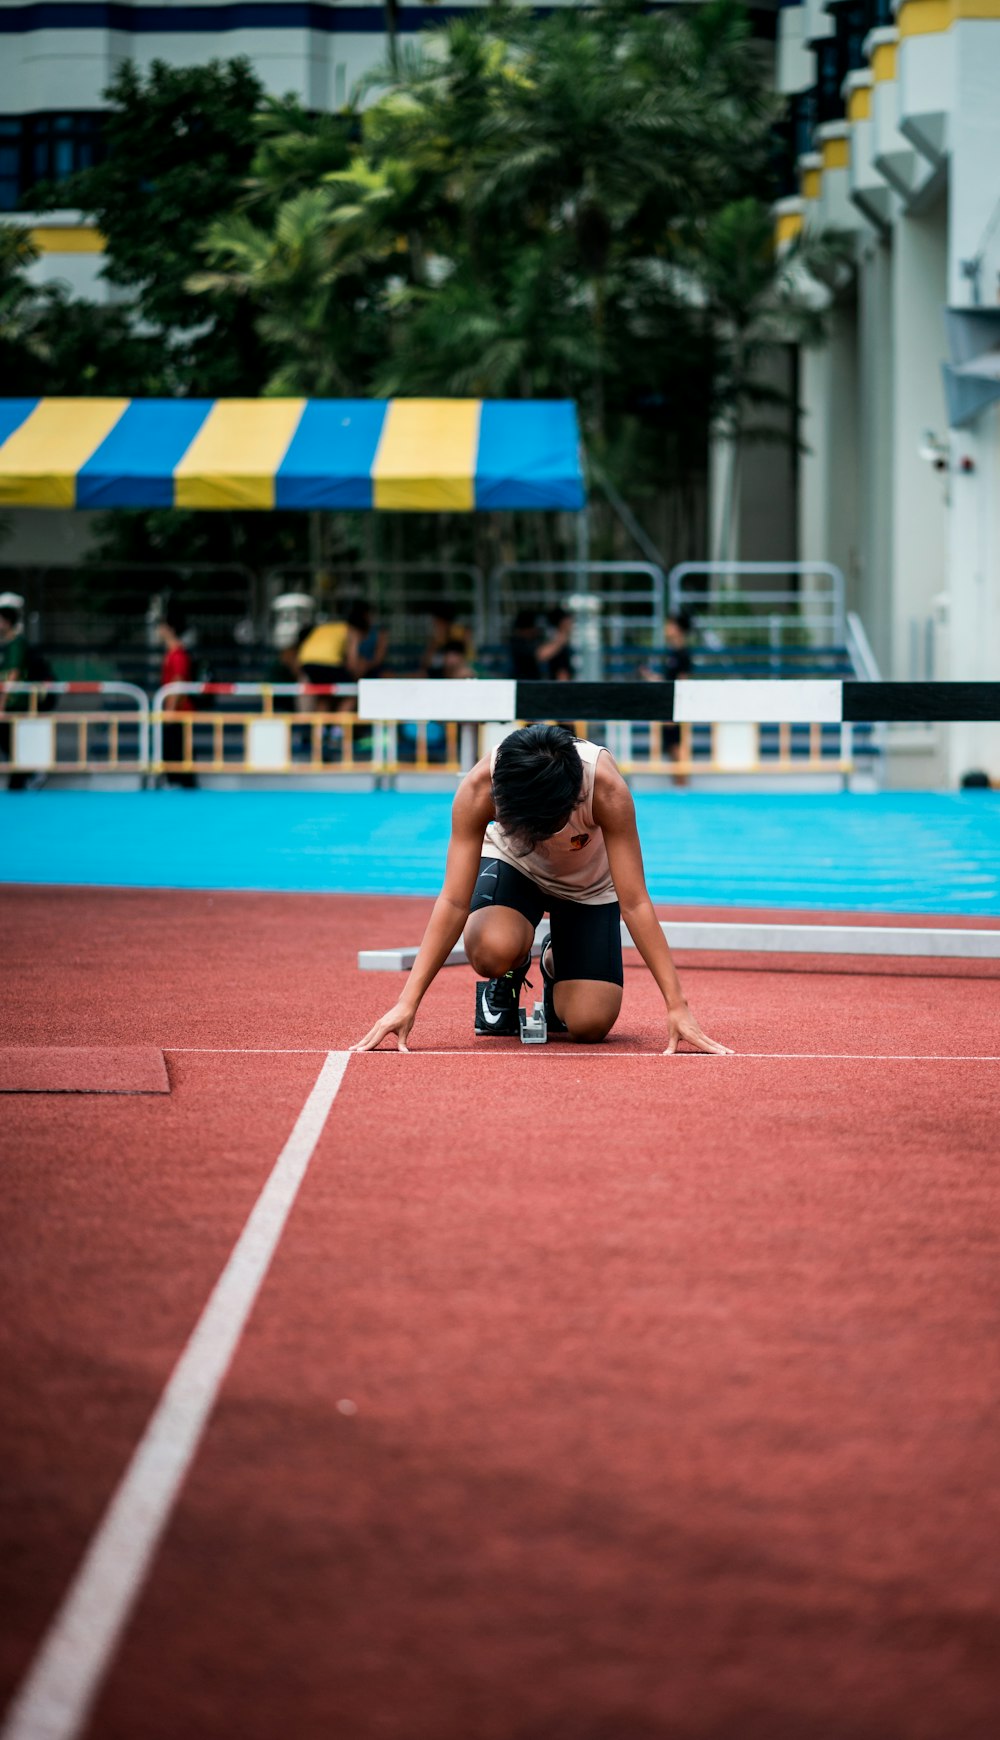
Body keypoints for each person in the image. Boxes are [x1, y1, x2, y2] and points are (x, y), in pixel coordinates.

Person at [354, 723, 731, 1056]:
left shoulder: (606, 789)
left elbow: (634, 902)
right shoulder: (479, 787)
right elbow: (453, 900)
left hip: (588, 886)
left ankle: (555, 959)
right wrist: (407, 1003)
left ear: (573, 801)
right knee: (491, 951)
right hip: (514, 866)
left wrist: (676, 1006)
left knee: (588, 1025)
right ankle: (511, 969)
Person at [640, 610, 693, 785]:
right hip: (669, 706)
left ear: (678, 628)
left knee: (676, 744)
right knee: (671, 746)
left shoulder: (682, 654)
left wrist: (676, 709)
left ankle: (682, 783)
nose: (666, 628)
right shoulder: (672, 653)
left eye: (670, 624)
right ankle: (679, 784)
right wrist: (651, 677)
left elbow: (682, 683)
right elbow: (669, 681)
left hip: (675, 707)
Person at [158, 605, 197, 788]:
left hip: (180, 711)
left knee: (179, 751)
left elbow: (178, 683)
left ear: (170, 628)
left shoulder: (178, 654)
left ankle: (181, 783)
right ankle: (175, 781)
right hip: (174, 709)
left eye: (162, 626)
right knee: (175, 750)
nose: (159, 630)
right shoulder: (172, 653)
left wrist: (170, 710)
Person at [0, 593, 29, 789]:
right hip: (6, 702)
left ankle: (23, 779)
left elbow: (13, 674)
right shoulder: (5, 644)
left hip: (14, 704)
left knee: (14, 746)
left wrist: (2, 703)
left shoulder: (17, 643)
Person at [422, 602, 474, 677]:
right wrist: (435, 644)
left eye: (436, 621)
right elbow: (425, 664)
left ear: (442, 621)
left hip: (459, 669)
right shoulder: (436, 638)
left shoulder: (461, 633)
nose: (434, 624)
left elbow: (470, 658)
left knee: (462, 671)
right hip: (441, 672)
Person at [537, 606, 575, 681]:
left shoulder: (564, 641)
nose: (571, 624)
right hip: (553, 684)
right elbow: (541, 655)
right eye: (568, 621)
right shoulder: (551, 638)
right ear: (562, 622)